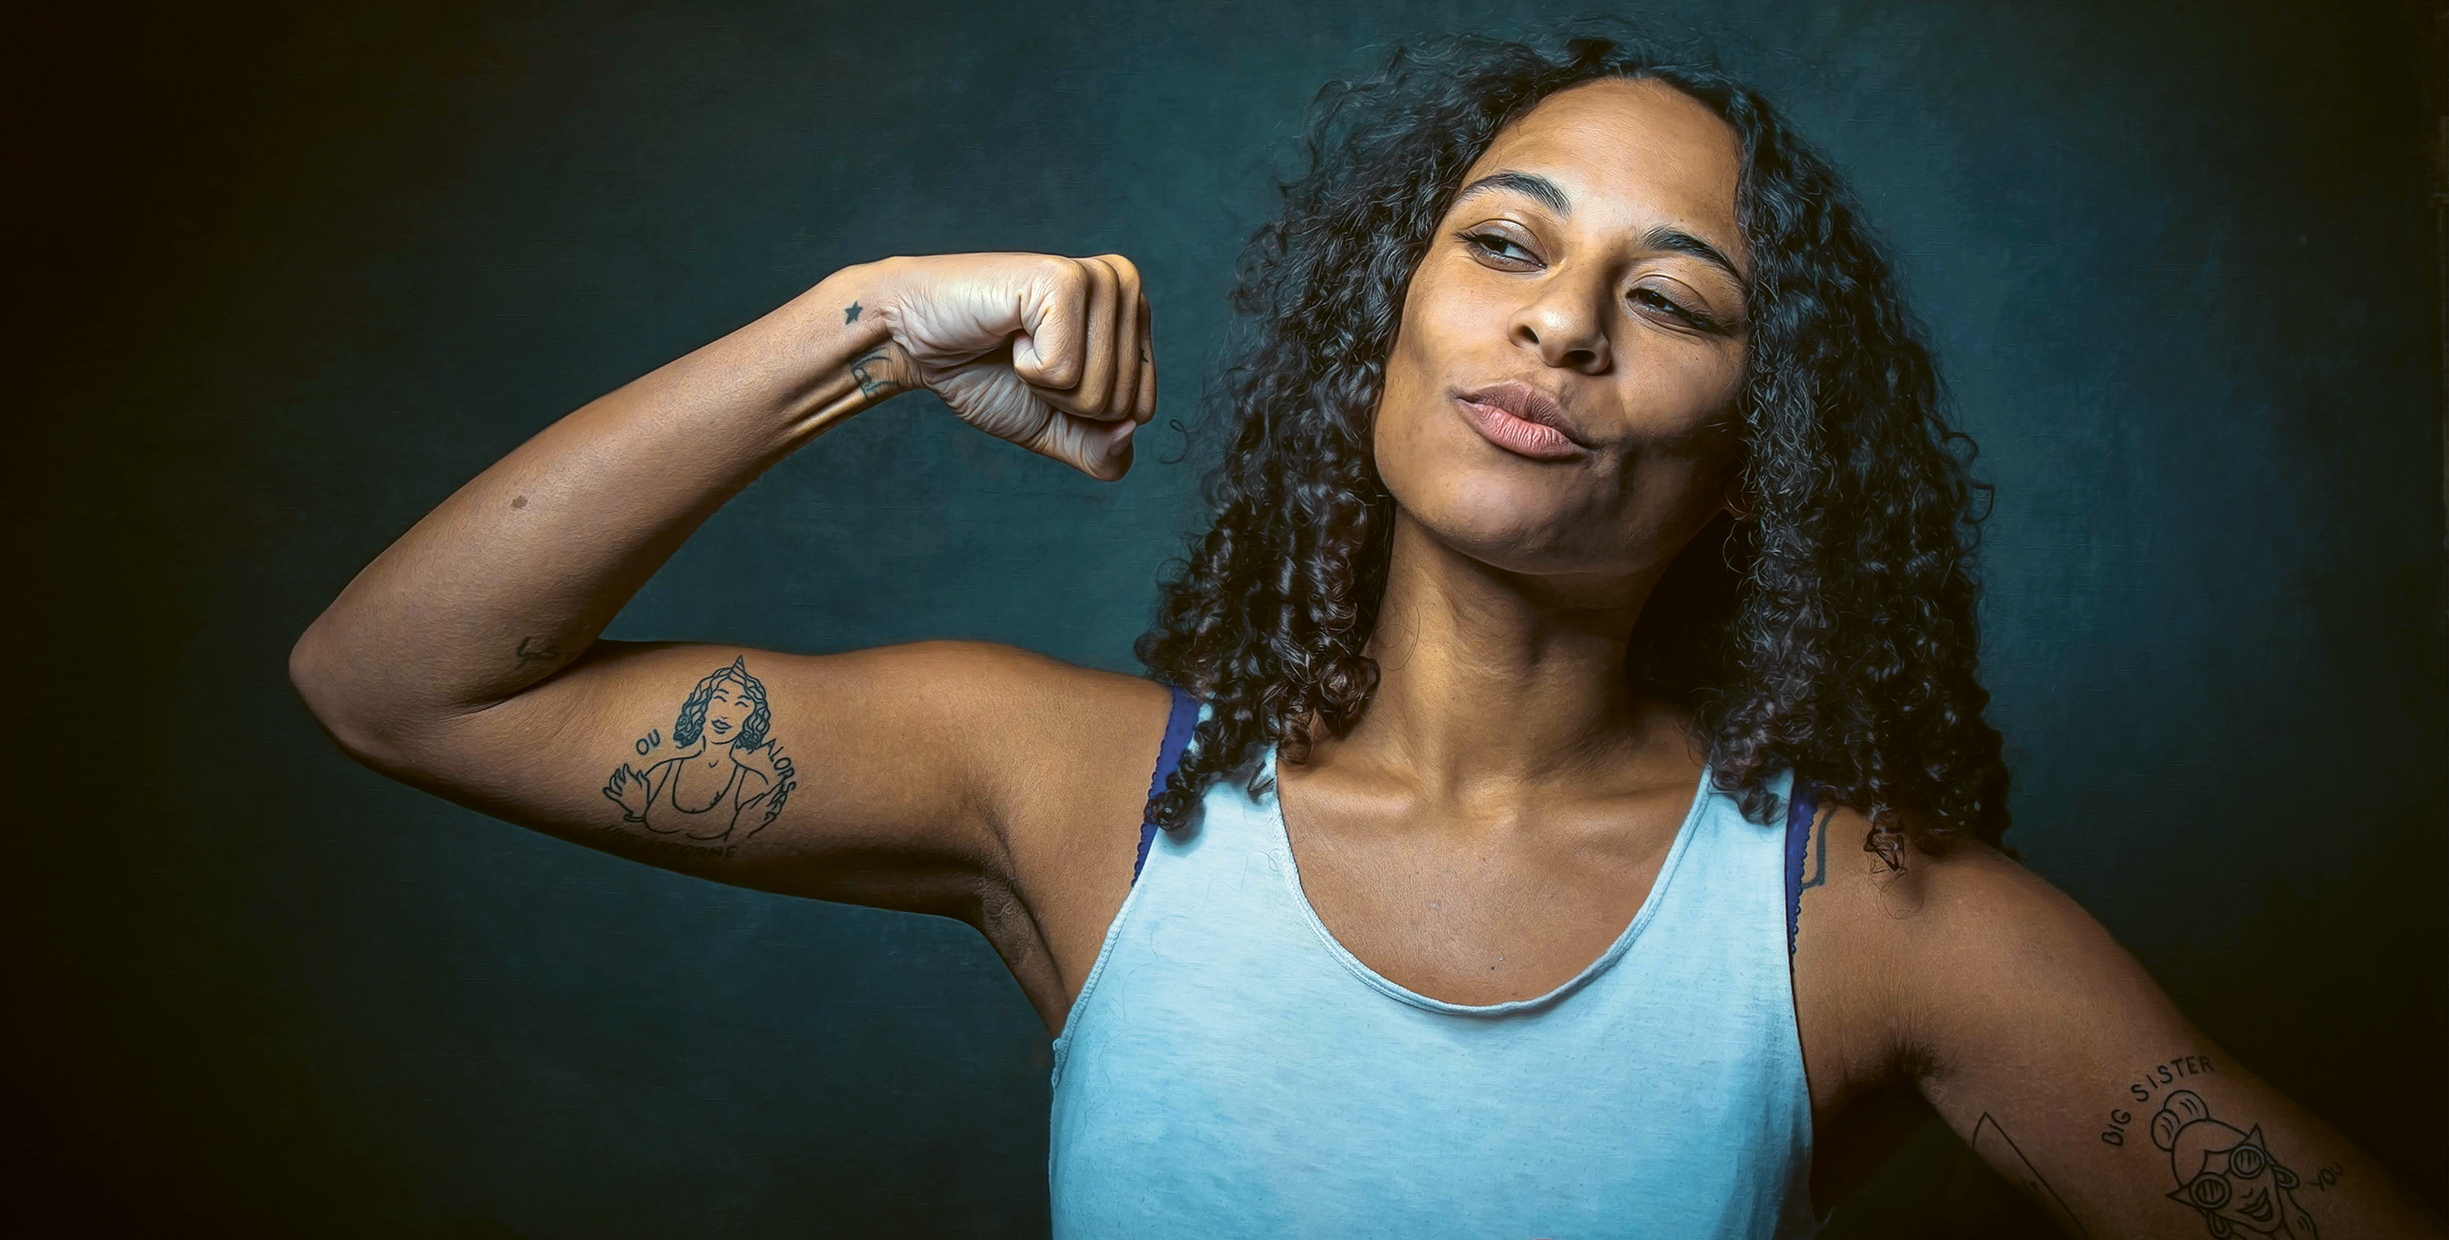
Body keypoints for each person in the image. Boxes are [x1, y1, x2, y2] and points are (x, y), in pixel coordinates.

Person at [287, 26, 2444, 1240]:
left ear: (1757, 453)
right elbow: (396, 684)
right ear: (1381, 327)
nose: (1561, 322)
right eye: (1503, 241)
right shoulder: (1074, 795)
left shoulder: (1864, 926)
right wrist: (859, 324)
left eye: (1672, 297)